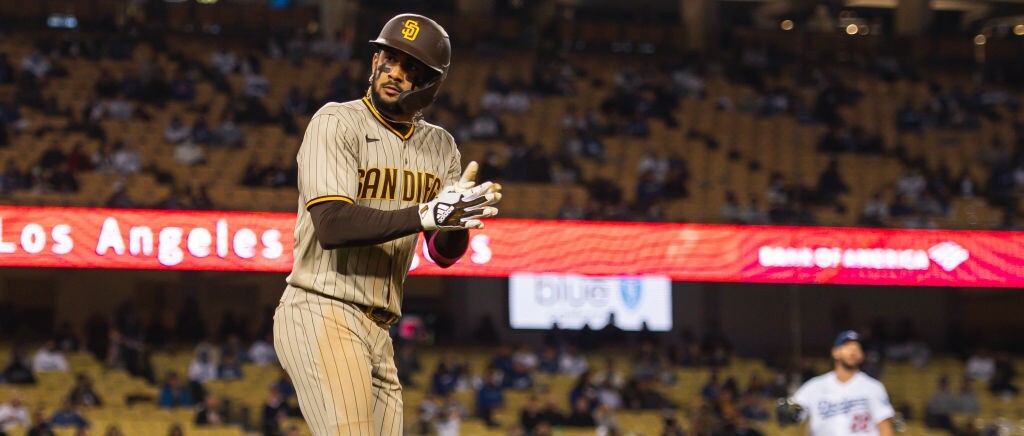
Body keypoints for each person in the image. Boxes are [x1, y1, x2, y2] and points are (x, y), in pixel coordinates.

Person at [272, 13, 502, 435]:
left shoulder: (441, 147)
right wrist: (424, 213)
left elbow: (442, 254)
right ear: (374, 60)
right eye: (389, 58)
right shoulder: (336, 122)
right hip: (321, 305)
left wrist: (456, 220)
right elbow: (332, 225)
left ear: (430, 85)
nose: (395, 72)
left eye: (411, 68)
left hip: (380, 330)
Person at [783, 330, 895, 435]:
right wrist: (789, 413)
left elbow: (885, 428)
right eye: (847, 346)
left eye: (857, 348)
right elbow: (795, 414)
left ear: (862, 355)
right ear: (835, 352)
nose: (853, 351)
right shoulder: (814, 386)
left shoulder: (873, 387)